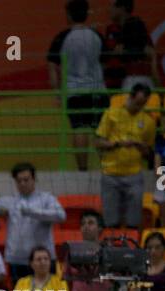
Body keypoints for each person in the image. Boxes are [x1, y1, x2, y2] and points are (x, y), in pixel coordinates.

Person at [0, 163, 66, 282]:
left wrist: (32, 212)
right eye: (19, 181)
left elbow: (61, 216)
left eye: (26, 180)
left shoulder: (47, 199)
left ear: (34, 179)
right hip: (17, 260)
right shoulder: (10, 200)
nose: (23, 184)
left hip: (43, 260)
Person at [48, 0, 106, 172]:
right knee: (101, 131)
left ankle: (82, 170)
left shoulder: (62, 38)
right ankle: (107, 168)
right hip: (97, 90)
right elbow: (105, 62)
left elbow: (52, 67)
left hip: (74, 91)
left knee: (79, 129)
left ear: (68, 15)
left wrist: (57, 93)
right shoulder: (97, 36)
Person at [96, 83, 156, 229]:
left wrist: (140, 147)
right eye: (137, 103)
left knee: (133, 221)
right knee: (111, 221)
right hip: (110, 174)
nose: (139, 107)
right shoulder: (111, 114)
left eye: (143, 104)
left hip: (134, 175)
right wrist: (118, 144)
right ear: (130, 97)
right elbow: (98, 142)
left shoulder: (149, 122)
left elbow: (149, 153)